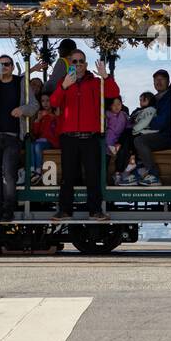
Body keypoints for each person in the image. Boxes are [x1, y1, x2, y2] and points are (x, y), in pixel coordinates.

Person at [49, 47, 120, 220]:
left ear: (86, 64)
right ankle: (65, 210)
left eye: (81, 61)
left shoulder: (96, 82)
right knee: (68, 177)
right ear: (70, 64)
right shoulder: (63, 83)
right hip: (69, 137)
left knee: (92, 175)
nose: (78, 64)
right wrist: (65, 86)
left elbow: (113, 93)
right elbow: (53, 102)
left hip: (90, 137)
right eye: (75, 61)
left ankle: (95, 210)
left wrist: (105, 76)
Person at [0, 54, 38, 222]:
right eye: (0, 64)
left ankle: (8, 210)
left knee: (9, 174)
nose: (3, 67)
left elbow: (34, 106)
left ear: (12, 67)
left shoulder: (21, 83)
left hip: (13, 136)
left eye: (7, 64)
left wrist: (22, 109)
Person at [132, 69, 171, 185]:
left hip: (167, 135)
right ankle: (133, 172)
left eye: (162, 79)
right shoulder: (154, 99)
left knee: (139, 141)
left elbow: (162, 122)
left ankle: (154, 175)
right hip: (155, 133)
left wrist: (146, 123)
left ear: (168, 82)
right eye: (156, 80)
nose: (159, 82)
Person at [115, 92, 156, 183]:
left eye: (143, 100)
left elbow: (145, 122)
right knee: (126, 136)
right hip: (138, 131)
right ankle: (124, 163)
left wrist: (134, 129)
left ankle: (126, 164)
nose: (140, 102)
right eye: (140, 100)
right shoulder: (139, 111)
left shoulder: (150, 109)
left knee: (128, 136)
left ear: (149, 100)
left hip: (144, 132)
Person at [28, 93, 58, 184]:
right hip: (41, 141)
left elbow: (56, 131)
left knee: (37, 146)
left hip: (51, 142)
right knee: (31, 145)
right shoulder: (41, 115)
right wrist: (38, 120)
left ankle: (38, 171)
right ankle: (32, 170)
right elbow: (36, 133)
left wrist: (54, 117)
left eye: (47, 101)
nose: (45, 103)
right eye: (43, 101)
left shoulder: (55, 114)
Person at [105, 96, 129, 166]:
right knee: (106, 158)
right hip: (109, 140)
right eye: (113, 105)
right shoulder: (107, 114)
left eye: (118, 104)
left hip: (119, 140)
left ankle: (118, 172)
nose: (116, 106)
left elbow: (128, 126)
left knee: (121, 154)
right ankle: (103, 175)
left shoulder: (124, 115)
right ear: (110, 106)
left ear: (121, 105)